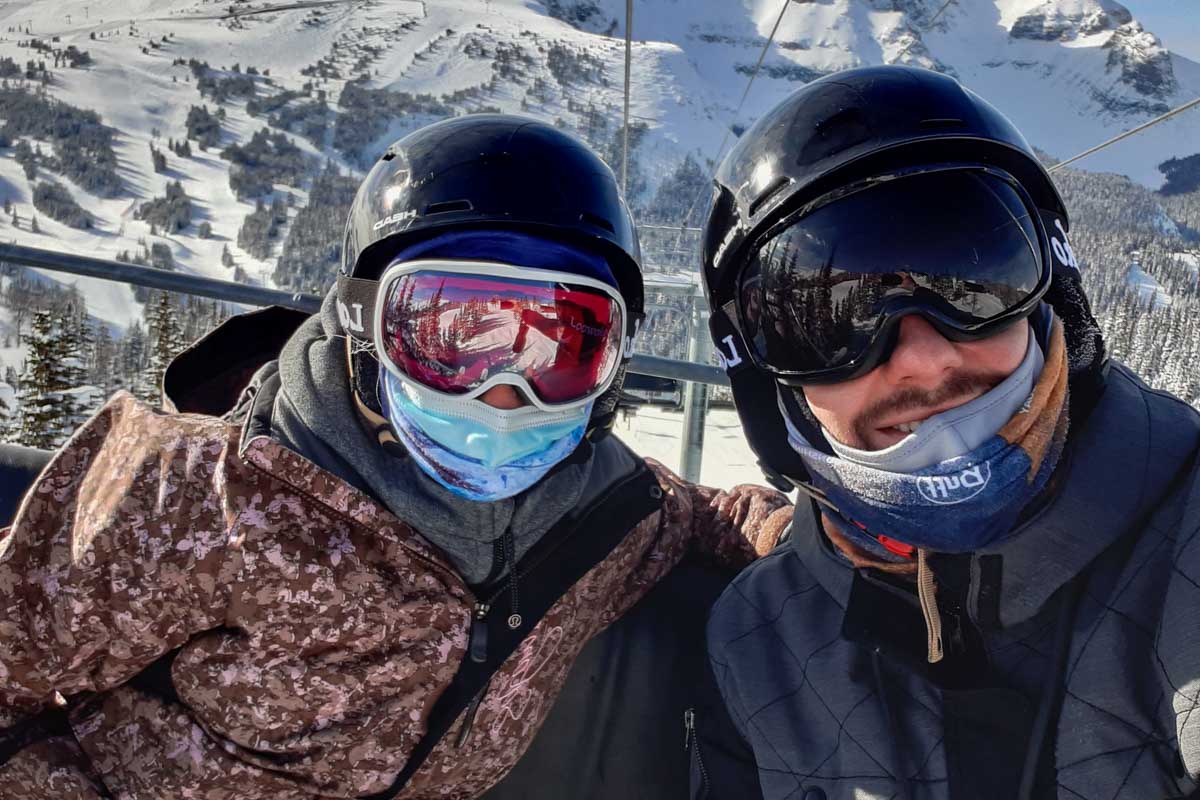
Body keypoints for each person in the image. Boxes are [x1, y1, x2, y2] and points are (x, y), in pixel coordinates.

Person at [0, 115, 792, 799]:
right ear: (363, 324)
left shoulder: (612, 514)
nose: (503, 393)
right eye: (450, 332)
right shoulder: (201, 491)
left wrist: (799, 538)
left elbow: (713, 517)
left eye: (560, 344)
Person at [692, 66, 1200, 799]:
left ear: (1051, 287)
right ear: (762, 380)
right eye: (829, 326)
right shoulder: (757, 643)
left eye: (975, 285)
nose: (925, 360)